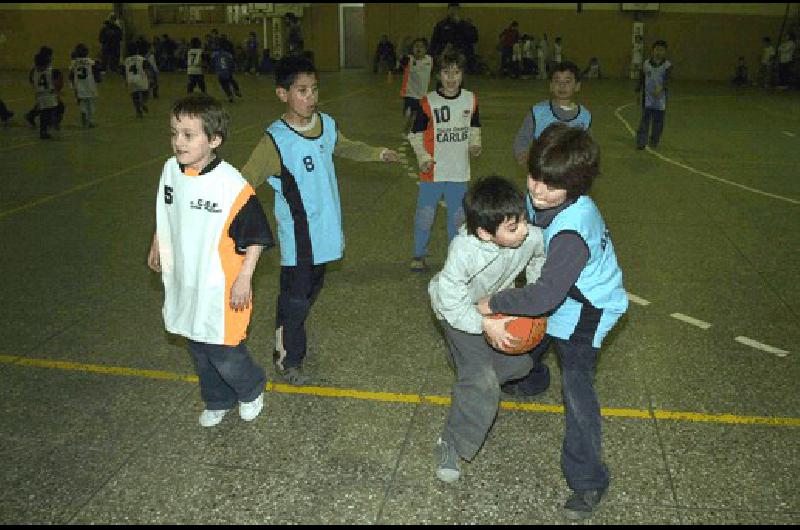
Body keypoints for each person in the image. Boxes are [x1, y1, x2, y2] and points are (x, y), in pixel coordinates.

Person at [477, 123, 628, 521]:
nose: (538, 190)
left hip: (587, 310)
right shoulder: (544, 201)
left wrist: (494, 300)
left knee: (578, 390)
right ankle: (532, 380)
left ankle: (589, 480)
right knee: (523, 349)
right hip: (561, 294)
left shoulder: (572, 235)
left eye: (551, 185)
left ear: (576, 186)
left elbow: (544, 296)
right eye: (534, 177)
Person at [239, 56, 399, 385]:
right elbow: (244, 180)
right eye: (302, 90)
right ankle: (288, 356)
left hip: (326, 231)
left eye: (314, 89)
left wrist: (376, 153)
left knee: (310, 292)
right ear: (282, 94)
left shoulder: (325, 124)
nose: (310, 97)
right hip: (299, 240)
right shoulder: (275, 141)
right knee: (296, 299)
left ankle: (286, 332)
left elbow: (345, 146)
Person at [147, 95, 274, 428]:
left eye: (188, 135)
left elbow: (257, 237)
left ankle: (251, 388)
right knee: (198, 347)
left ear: (214, 139)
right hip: (187, 279)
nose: (178, 141)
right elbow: (166, 211)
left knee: (224, 350)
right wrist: (158, 242)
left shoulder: (232, 186)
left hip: (222, 285)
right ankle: (218, 399)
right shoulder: (170, 171)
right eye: (174, 132)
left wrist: (245, 277)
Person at [429, 175, 546, 483]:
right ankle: (451, 444)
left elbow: (538, 257)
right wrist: (483, 325)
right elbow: (450, 301)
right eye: (512, 227)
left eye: (522, 220)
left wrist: (530, 294)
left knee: (520, 363)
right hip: (456, 312)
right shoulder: (464, 250)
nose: (523, 230)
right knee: (482, 381)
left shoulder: (531, 236)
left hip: (494, 309)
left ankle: (463, 362)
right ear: (484, 233)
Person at [407, 50, 481, 272]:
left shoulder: (471, 99)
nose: (451, 78)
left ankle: (453, 259)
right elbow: (415, 135)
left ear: (462, 74)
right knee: (425, 216)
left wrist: (475, 143)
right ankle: (419, 254)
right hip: (433, 172)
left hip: (459, 172)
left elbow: (474, 127)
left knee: (458, 219)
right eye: (446, 73)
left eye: (456, 73)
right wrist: (423, 158)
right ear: (438, 74)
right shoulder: (428, 101)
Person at [513, 61, 591, 167]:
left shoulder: (585, 116)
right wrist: (522, 153)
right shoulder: (538, 112)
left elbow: (588, 147)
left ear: (577, 86)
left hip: (571, 176)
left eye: (567, 81)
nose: (562, 85)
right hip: (541, 174)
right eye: (557, 81)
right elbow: (522, 137)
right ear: (550, 86)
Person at [635, 40, 671, 149]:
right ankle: (641, 141)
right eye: (657, 50)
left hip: (660, 99)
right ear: (653, 51)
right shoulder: (646, 64)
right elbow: (641, 79)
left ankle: (654, 140)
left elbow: (667, 79)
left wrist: (661, 87)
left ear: (665, 52)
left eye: (661, 50)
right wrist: (637, 91)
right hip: (647, 98)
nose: (658, 52)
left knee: (658, 122)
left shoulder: (667, 66)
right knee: (644, 120)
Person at [28, 47, 63, 139]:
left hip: (40, 94)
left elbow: (31, 81)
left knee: (44, 112)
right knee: (52, 111)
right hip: (50, 94)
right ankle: (49, 126)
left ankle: (46, 127)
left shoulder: (33, 71)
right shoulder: (52, 71)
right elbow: (58, 83)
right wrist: (57, 92)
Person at [399, 38, 433, 133]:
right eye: (416, 46)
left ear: (426, 49)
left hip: (422, 95)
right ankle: (405, 132)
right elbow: (399, 56)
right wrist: (402, 44)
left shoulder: (429, 60)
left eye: (421, 46)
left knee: (418, 117)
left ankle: (411, 131)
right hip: (409, 94)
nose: (418, 48)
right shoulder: (409, 60)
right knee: (410, 115)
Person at [68, 43, 100, 128]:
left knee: (82, 105)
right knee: (90, 105)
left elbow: (71, 75)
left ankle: (84, 121)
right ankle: (90, 121)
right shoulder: (89, 61)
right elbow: (96, 70)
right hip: (89, 86)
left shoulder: (74, 62)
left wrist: (72, 85)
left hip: (79, 87)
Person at [123, 42, 150, 118]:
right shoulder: (141, 58)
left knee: (134, 96)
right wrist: (150, 77)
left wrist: (125, 80)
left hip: (131, 79)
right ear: (137, 50)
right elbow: (147, 67)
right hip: (140, 78)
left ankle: (138, 111)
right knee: (146, 92)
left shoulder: (127, 60)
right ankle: (143, 103)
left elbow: (123, 71)